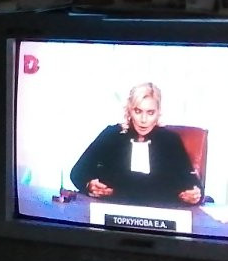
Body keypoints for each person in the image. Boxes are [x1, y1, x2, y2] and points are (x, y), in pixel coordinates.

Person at [69, 82, 202, 205]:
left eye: (150, 113)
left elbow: (193, 184)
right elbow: (77, 173)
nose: (143, 120)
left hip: (160, 214)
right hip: (113, 211)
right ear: (129, 110)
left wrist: (195, 195)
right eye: (138, 111)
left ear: (158, 113)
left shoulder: (171, 140)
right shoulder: (111, 135)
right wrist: (89, 185)